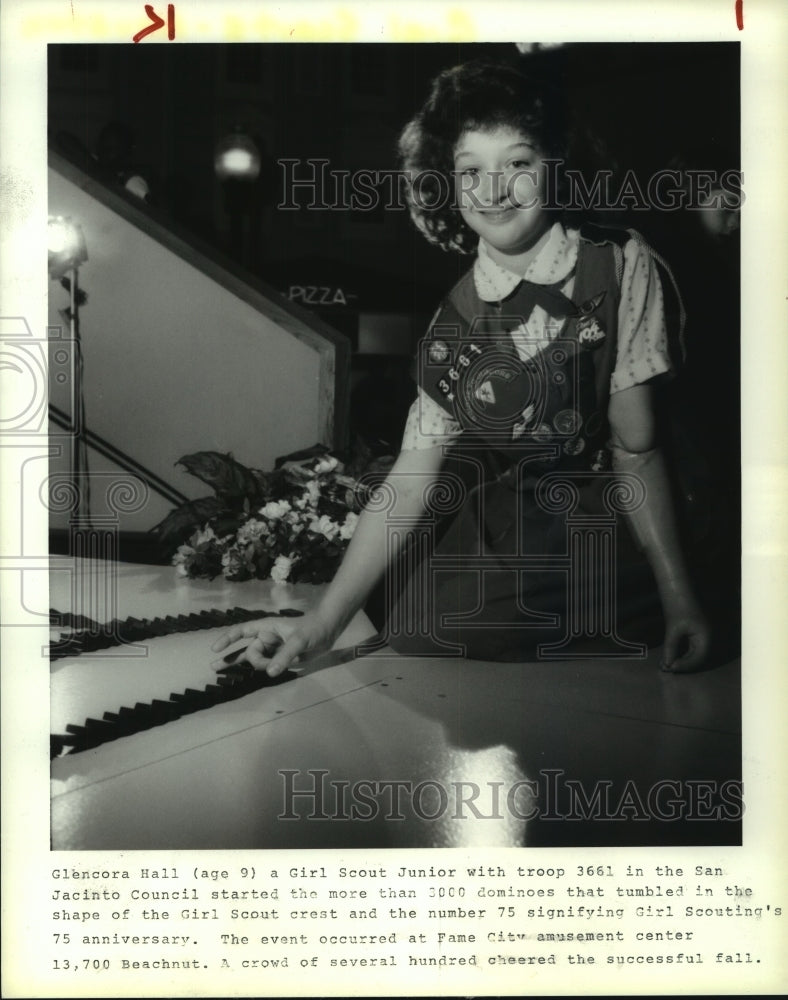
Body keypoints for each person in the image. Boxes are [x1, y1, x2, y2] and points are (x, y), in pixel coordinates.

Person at [211, 59, 711, 676]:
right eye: (471, 170)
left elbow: (639, 450)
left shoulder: (619, 262)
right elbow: (409, 480)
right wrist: (320, 623)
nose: (493, 191)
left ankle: (691, 587)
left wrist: (682, 603)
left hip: (641, 500)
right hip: (534, 503)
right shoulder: (456, 320)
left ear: (557, 164)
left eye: (518, 164)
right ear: (445, 183)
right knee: (412, 603)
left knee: (455, 614)